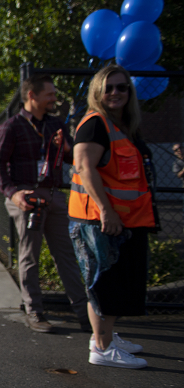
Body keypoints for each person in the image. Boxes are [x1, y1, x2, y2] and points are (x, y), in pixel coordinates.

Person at [0, 74, 90, 333]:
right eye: (50, 95)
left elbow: (70, 160)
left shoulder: (56, 124)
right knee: (29, 256)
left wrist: (66, 147)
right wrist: (14, 194)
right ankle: (35, 312)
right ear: (32, 96)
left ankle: (84, 312)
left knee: (66, 254)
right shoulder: (11, 127)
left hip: (53, 194)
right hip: (27, 198)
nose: (54, 99)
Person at [69, 64, 153, 369]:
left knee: (110, 283)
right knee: (104, 283)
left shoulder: (118, 125)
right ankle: (103, 348)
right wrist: (106, 209)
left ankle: (104, 338)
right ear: (98, 92)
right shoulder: (95, 124)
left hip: (119, 220)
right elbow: (84, 167)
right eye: (109, 88)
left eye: (122, 87)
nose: (116, 93)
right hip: (99, 221)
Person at [171, 144, 184, 221]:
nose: (179, 150)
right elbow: (178, 175)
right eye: (176, 150)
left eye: (180, 148)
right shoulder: (176, 163)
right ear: (174, 153)